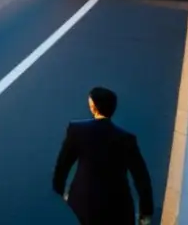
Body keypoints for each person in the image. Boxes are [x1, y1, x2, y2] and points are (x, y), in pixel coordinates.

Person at [52, 86, 154, 225]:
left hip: (83, 202)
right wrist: (146, 211)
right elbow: (141, 178)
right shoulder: (126, 139)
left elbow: (63, 164)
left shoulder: (77, 130)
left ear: (93, 107)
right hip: (118, 205)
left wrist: (60, 189)